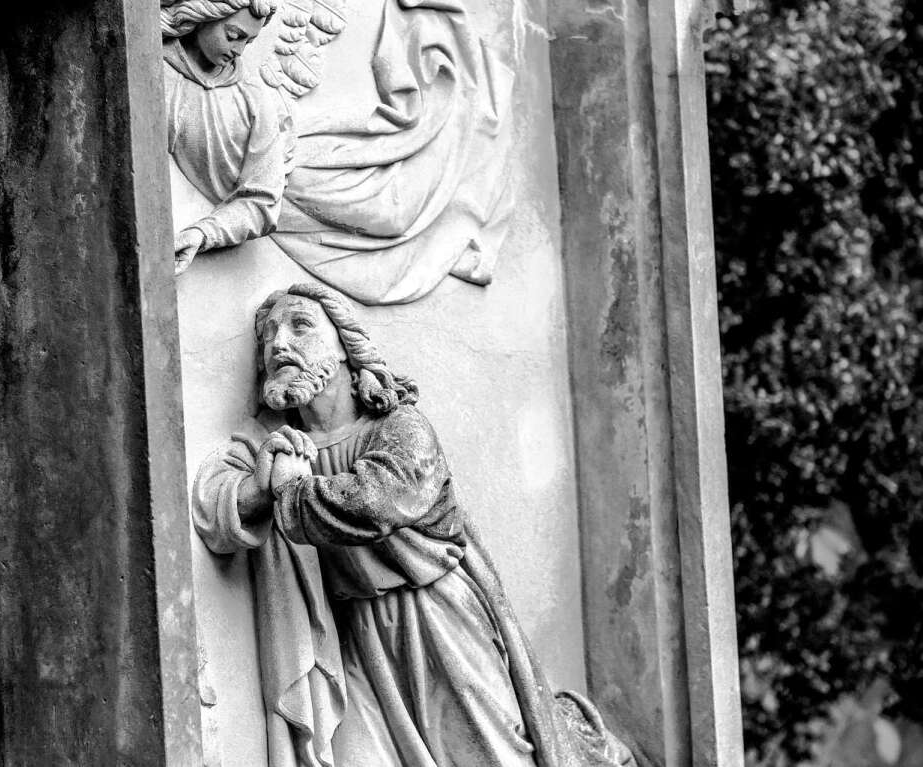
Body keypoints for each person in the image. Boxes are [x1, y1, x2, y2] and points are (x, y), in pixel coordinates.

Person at [193, 283, 635, 767]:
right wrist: (260, 487)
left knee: (490, 755)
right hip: (354, 642)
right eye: (268, 335)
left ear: (344, 344)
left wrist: (291, 491)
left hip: (437, 621)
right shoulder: (272, 445)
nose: (279, 344)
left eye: (300, 325)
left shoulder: (398, 427)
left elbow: (375, 503)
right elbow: (217, 499)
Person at [161, 0, 288, 274]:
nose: (239, 50)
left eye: (249, 41)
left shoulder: (253, 98)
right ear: (202, 16)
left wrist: (203, 233)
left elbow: (263, 201)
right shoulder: (152, 72)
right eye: (234, 36)